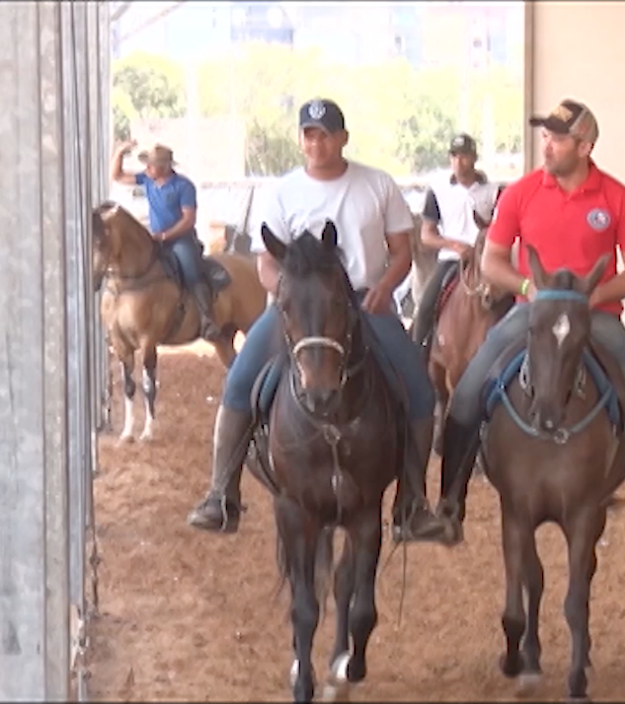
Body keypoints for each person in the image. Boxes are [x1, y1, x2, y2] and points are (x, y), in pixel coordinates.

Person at [423, 98, 625, 558]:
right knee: (466, 393)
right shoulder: (521, 193)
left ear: (584, 146)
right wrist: (533, 288)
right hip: (532, 312)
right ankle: (450, 506)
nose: (547, 145)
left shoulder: (617, 198)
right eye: (545, 136)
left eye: (557, 138)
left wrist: (588, 298)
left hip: (596, 317)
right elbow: (492, 261)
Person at [184, 98, 445, 544]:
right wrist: (285, 290)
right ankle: (220, 491)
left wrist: (384, 288)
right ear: (301, 140)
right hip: (299, 309)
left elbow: (401, 250)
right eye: (309, 134)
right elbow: (267, 260)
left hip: (363, 302)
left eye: (325, 134)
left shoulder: (377, 185)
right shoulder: (283, 191)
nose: (316, 142)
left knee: (418, 387)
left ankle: (412, 501)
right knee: (240, 380)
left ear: (342, 138)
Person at [109, 140, 219, 338]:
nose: (147, 168)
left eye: (152, 165)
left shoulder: (184, 186)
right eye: (148, 164)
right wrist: (119, 152)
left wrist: (166, 235)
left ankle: (206, 317)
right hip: (155, 238)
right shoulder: (147, 179)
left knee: (191, 271)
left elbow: (188, 219)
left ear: (164, 167)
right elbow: (116, 176)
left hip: (180, 240)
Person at [410, 132, 506, 349]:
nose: (459, 162)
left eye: (464, 156)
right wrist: (454, 245)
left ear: (474, 158)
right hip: (452, 259)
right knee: (426, 304)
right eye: (454, 156)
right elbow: (427, 234)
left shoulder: (494, 192)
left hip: (486, 260)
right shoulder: (438, 190)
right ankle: (418, 350)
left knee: (508, 301)